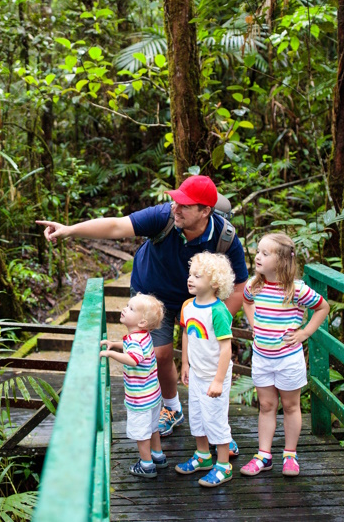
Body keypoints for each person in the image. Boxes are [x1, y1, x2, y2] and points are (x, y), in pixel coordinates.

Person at [37, 175, 249, 449]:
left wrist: (214, 321)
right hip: (152, 294)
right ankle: (172, 407)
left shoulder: (225, 238)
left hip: (197, 301)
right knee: (159, 354)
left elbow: (239, 286)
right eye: (176, 201)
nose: (176, 207)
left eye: (185, 205)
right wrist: (69, 230)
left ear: (205, 211)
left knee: (203, 359)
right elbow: (116, 226)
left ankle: (215, 428)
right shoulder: (164, 216)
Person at [239, 233, 330, 478]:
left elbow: (322, 307)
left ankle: (290, 453)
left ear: (281, 262)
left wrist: (305, 332)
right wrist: (254, 325)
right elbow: (246, 302)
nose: (257, 256)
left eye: (265, 254)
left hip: (288, 358)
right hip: (262, 356)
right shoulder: (254, 284)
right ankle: (264, 455)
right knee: (267, 405)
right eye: (258, 251)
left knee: (290, 406)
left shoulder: (296, 289)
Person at [174, 252, 236, 487]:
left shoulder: (218, 312)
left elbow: (226, 350)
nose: (190, 279)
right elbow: (187, 334)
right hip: (197, 372)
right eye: (190, 274)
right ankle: (203, 456)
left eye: (197, 276)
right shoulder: (188, 306)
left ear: (214, 283)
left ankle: (223, 466)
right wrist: (185, 363)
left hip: (214, 375)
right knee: (197, 417)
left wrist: (219, 380)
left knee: (216, 420)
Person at [100, 293, 167, 478]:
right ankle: (158, 455)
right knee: (153, 427)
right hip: (153, 394)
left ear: (142, 322)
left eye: (131, 309)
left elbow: (133, 359)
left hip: (140, 398)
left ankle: (146, 465)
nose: (124, 308)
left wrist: (110, 354)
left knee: (141, 432)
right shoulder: (142, 336)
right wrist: (114, 344)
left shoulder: (136, 340)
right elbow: (130, 347)